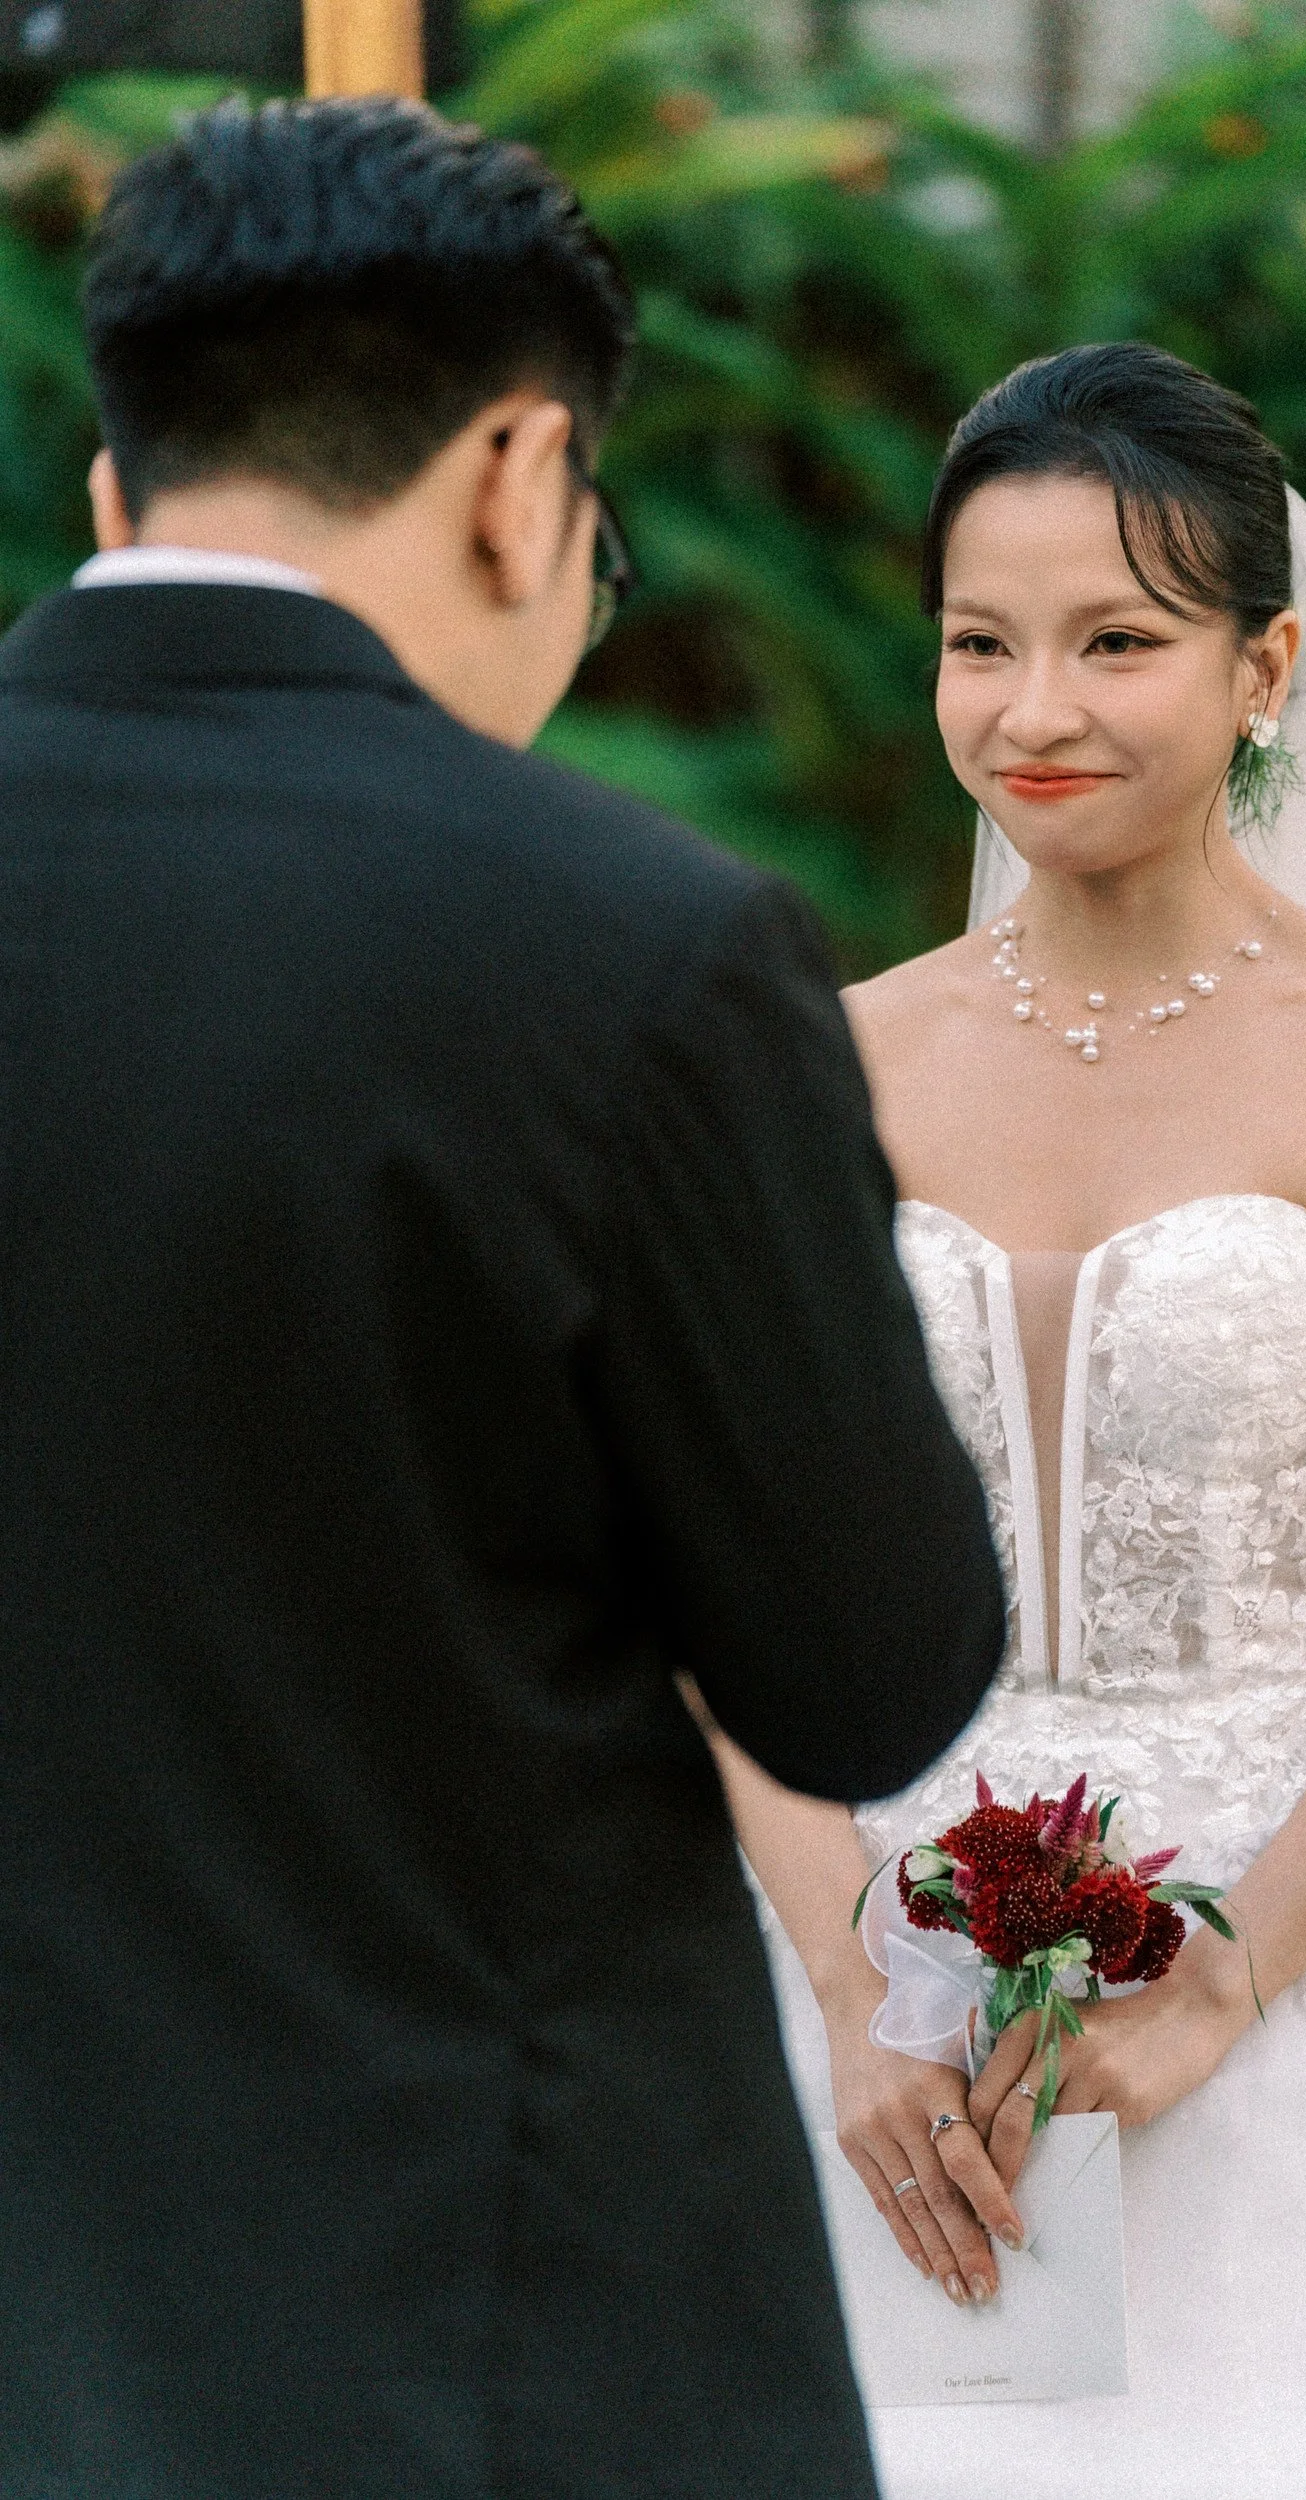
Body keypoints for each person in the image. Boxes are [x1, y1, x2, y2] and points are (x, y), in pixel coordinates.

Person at [0, 98, 1007, 2500]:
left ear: (120, 481)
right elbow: (863, 1661)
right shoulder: (631, 949)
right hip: (478, 2339)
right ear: (517, 473)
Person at [726, 342, 1306, 2497]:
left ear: (1263, 669)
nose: (1030, 710)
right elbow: (722, 1574)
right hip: (870, 1970)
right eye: (980, 641)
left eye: (1116, 642)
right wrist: (852, 1992)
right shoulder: (825, 1059)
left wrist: (1227, 1978)